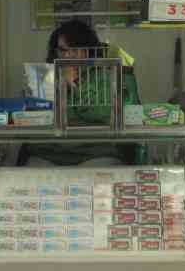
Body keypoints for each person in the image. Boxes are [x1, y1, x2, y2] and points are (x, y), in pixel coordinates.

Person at [26, 20, 138, 166]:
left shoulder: (103, 75)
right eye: (62, 50)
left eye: (74, 50)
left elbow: (103, 114)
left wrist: (76, 83)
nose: (68, 56)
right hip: (47, 152)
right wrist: (57, 85)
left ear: (87, 51)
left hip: (94, 152)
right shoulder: (44, 75)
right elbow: (33, 118)